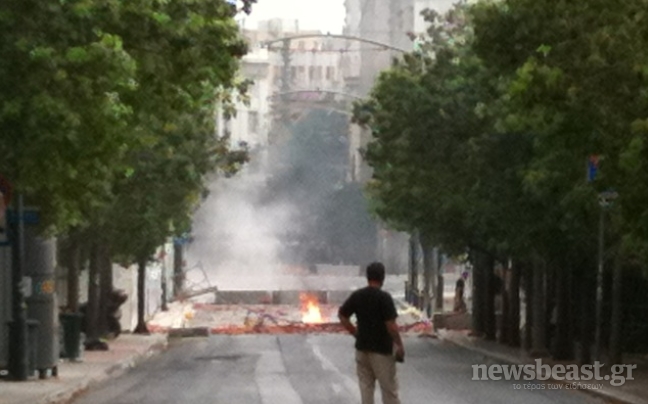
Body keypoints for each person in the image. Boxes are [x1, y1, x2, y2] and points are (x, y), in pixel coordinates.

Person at [338, 262, 404, 404]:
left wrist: (355, 333)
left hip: (362, 349)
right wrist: (399, 345)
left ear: (367, 277)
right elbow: (391, 326)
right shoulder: (384, 298)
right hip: (382, 352)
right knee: (389, 391)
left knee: (366, 391)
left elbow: (343, 316)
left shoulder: (358, 296)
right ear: (383, 277)